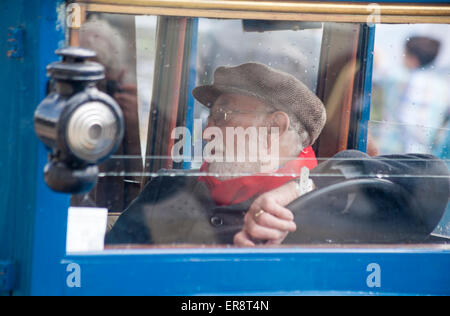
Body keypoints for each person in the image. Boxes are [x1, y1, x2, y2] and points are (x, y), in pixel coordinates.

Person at [106, 62, 449, 246]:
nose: (209, 128)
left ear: (274, 127)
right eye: (211, 116)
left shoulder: (337, 200)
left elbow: (434, 177)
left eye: (224, 115)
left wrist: (298, 188)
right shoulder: (169, 190)